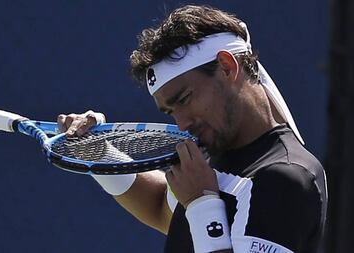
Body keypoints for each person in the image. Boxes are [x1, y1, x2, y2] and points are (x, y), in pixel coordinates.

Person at [57, 5, 327, 253]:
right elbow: (162, 208)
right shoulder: (212, 154)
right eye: (171, 112)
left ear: (227, 66)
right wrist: (99, 152)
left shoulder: (286, 179)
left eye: (184, 99)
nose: (182, 123)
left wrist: (203, 206)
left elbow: (196, 209)